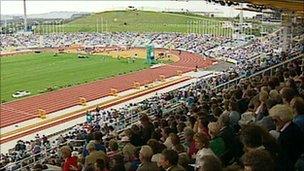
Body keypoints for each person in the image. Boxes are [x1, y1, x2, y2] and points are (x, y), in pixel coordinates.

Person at [269, 104, 304, 171]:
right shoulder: (294, 127)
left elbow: (285, 161)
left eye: (275, 120)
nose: (274, 123)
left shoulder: (285, 136)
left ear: (283, 119)